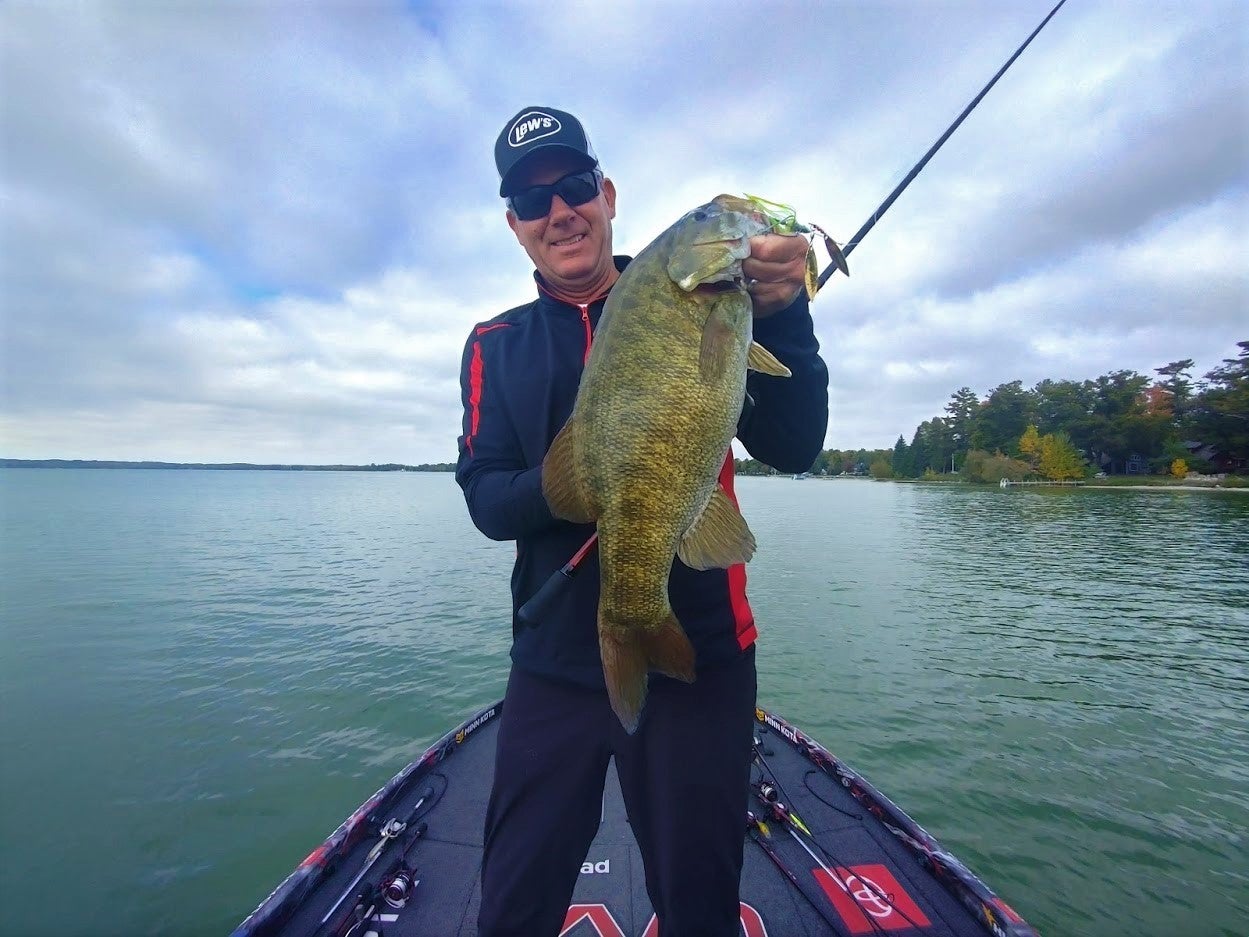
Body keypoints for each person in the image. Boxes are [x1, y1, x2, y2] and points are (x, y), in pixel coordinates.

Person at [455, 106, 829, 937]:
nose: (558, 211)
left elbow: (795, 445)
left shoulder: (700, 302)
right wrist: (581, 484)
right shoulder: (494, 344)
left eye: (574, 185)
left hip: (700, 655)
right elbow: (486, 497)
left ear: (608, 194)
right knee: (513, 904)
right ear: (513, 226)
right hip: (554, 662)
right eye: (531, 199)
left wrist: (783, 313)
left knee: (699, 905)